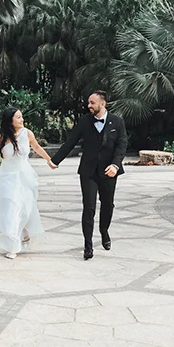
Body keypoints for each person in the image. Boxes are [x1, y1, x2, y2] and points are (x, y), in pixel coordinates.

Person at [50, 90, 128, 260]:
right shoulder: (84, 121)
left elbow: (122, 146)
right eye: (88, 103)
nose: (89, 106)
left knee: (108, 205)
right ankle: (88, 245)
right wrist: (55, 160)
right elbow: (70, 141)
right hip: (88, 172)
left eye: (92, 103)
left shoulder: (117, 122)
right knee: (89, 208)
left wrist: (115, 165)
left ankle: (104, 231)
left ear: (102, 103)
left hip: (109, 171)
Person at [0, 107, 53, 259]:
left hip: (24, 177)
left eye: (21, 117)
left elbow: (36, 147)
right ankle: (12, 246)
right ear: (10, 120)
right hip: (7, 179)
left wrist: (49, 160)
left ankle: (23, 231)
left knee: (24, 209)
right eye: (18, 117)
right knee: (10, 210)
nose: (21, 119)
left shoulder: (27, 133)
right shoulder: (0, 138)